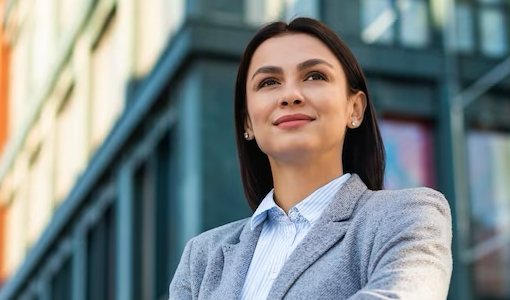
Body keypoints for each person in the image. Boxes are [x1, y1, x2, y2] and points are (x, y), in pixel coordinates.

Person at [169, 17, 452, 300]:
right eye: (269, 82)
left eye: (315, 76)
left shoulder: (407, 215)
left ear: (354, 108)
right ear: (248, 122)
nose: (290, 95)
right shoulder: (202, 258)